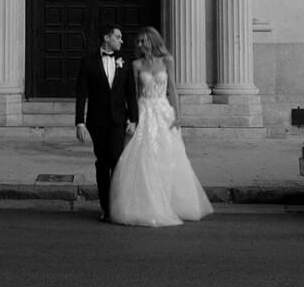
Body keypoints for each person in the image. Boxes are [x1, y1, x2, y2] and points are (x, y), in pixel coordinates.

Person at [108, 26, 213, 227]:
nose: (139, 45)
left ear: (152, 42)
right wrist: (132, 118)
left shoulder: (167, 61)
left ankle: (168, 202)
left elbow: (172, 88)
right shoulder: (136, 65)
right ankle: (145, 205)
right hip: (144, 110)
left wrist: (178, 115)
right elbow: (135, 94)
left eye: (143, 41)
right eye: (138, 42)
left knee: (168, 158)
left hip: (164, 111)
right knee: (144, 158)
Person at [74, 23, 137, 222]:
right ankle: (106, 208)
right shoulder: (89, 61)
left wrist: (134, 119)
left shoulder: (125, 61)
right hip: (97, 121)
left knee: (117, 161)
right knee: (102, 164)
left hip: (119, 120)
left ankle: (118, 206)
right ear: (106, 38)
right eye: (118, 37)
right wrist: (80, 123)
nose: (121, 40)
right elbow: (81, 93)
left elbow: (131, 94)